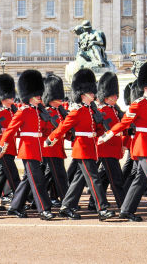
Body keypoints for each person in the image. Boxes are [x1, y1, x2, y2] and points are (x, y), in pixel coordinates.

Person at [98, 58, 147, 225]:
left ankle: (126, 210)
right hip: (143, 146)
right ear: (146, 87)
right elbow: (125, 122)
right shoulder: (138, 104)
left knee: (140, 179)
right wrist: (109, 134)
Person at [45, 68, 114, 220]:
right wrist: (51, 138)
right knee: (94, 178)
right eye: (91, 92)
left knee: (79, 179)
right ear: (83, 94)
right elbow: (63, 127)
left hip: (90, 147)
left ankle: (66, 206)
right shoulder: (77, 111)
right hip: (82, 148)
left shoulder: (90, 110)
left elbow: (97, 128)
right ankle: (102, 208)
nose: (94, 94)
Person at [0, 70, 55, 220]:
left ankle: (15, 207)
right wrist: (1, 146)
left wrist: (49, 120)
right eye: (36, 94)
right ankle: (44, 209)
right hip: (27, 150)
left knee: (27, 180)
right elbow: (10, 130)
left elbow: (44, 129)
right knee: (37, 180)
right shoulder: (22, 112)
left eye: (39, 94)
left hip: (37, 149)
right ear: (29, 95)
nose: (39, 97)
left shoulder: (38, 111)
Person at [95, 71, 127, 209]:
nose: (116, 97)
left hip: (113, 148)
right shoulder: (102, 110)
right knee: (116, 179)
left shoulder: (114, 110)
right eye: (113, 94)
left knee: (104, 177)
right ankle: (124, 205)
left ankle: (92, 202)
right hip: (106, 148)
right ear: (106, 96)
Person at [40, 73, 69, 207]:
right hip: (50, 148)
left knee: (51, 175)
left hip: (58, 148)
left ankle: (41, 197)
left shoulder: (58, 111)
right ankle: (67, 201)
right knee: (59, 176)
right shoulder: (47, 112)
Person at [0, 74, 20, 205]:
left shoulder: (13, 112)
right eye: (9, 95)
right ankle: (20, 199)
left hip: (11, 147)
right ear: (2, 97)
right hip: (2, 148)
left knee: (2, 174)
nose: (12, 97)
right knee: (13, 175)